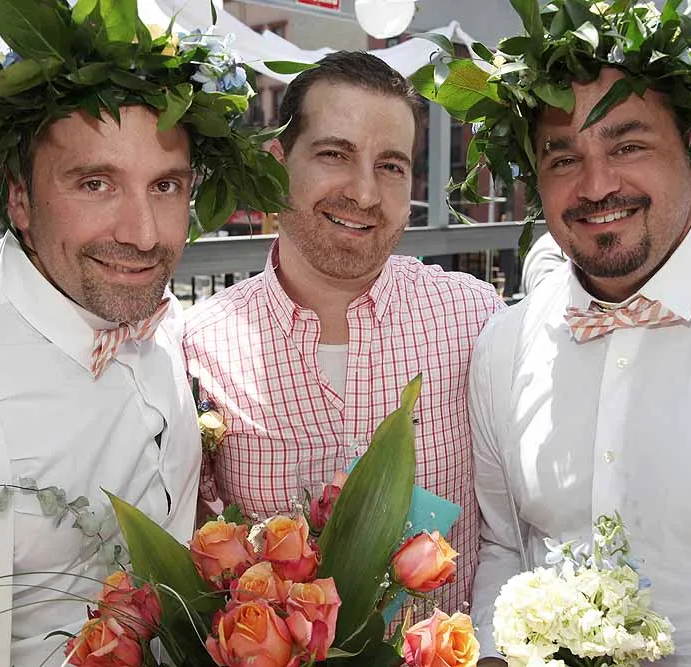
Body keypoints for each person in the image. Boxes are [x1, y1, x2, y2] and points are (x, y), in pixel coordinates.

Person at [424, 0, 691, 664]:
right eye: (563, 158)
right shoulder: (504, 347)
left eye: (628, 145)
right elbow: (507, 544)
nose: (597, 185)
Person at [0, 4, 286, 666]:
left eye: (165, 185)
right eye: (95, 183)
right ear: (19, 197)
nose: (143, 234)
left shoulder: (160, 322)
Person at [182, 50, 505, 618]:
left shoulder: (473, 319)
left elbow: (512, 525)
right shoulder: (201, 346)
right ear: (279, 163)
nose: (365, 193)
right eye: (335, 154)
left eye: (391, 166)